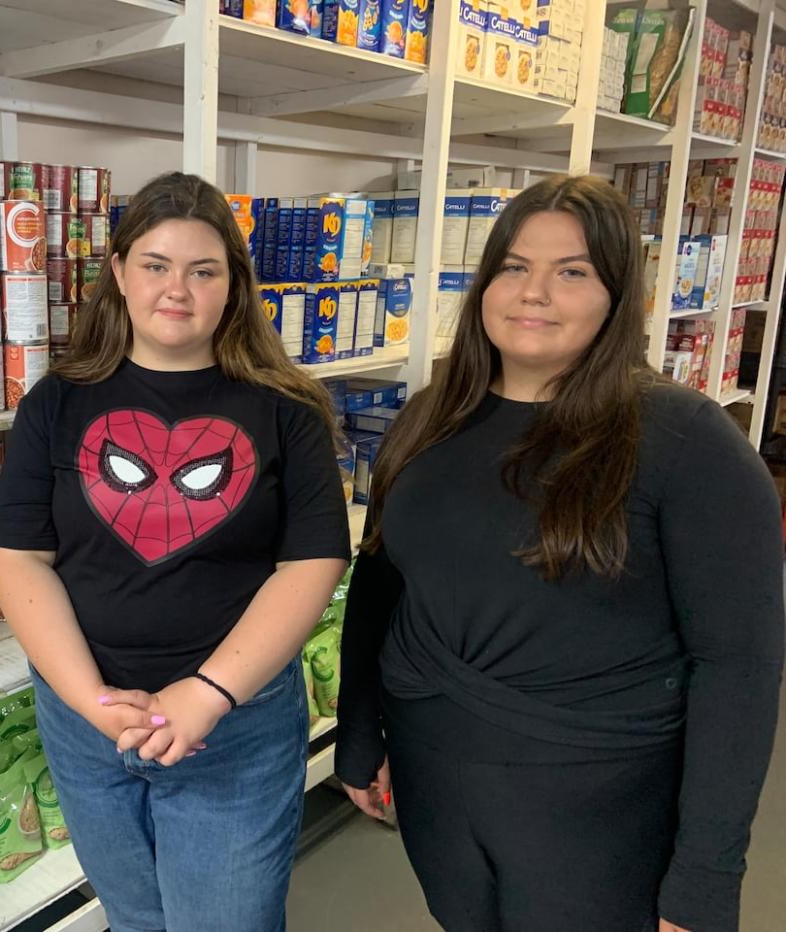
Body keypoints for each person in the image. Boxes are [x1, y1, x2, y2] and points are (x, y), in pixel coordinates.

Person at [335, 174, 784, 932]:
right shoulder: (425, 421)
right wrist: (358, 731)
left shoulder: (685, 442)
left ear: (617, 296)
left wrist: (706, 876)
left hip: (599, 805)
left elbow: (737, 665)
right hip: (435, 776)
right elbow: (380, 585)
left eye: (571, 271)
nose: (533, 292)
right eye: (514, 266)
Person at [0, 171, 350, 932]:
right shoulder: (56, 403)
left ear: (234, 287)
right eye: (154, 265)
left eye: (203, 270)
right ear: (118, 274)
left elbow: (313, 561)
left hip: (236, 727)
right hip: (88, 726)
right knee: (134, 921)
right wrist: (95, 704)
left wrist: (208, 694)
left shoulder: (288, 409)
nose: (175, 289)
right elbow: (20, 558)